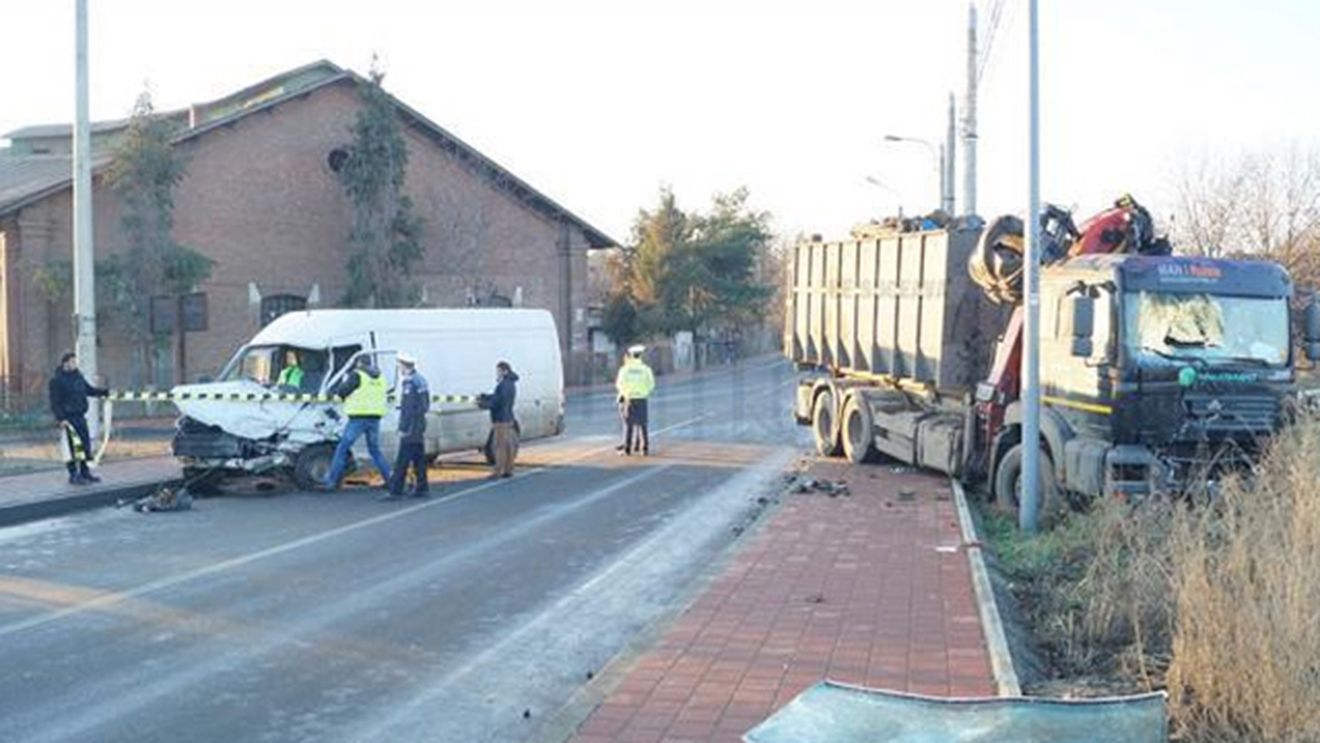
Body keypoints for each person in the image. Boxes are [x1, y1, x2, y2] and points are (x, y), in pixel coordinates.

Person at [322, 355, 392, 491]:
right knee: (375, 451)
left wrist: (334, 392)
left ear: (359, 363)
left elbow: (342, 392)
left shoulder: (356, 375)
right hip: (375, 418)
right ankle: (390, 479)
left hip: (358, 419)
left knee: (342, 449)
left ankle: (331, 482)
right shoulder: (381, 378)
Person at [48, 352, 108, 485]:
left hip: (80, 416)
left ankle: (85, 472)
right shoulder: (57, 381)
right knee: (73, 447)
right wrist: (61, 418)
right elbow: (55, 402)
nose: (75, 364)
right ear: (65, 363)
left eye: (75, 362)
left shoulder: (78, 377)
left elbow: (89, 390)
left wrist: (105, 392)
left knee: (85, 445)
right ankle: (74, 475)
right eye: (72, 362)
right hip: (68, 419)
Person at [382, 353, 430, 501]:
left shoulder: (409, 383)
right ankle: (422, 487)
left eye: (400, 366)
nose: (399, 369)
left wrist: (403, 427)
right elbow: (425, 404)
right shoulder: (421, 380)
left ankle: (396, 490)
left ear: (404, 366)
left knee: (402, 460)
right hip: (419, 424)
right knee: (418, 458)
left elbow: (408, 408)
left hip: (411, 427)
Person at [615, 344, 656, 456]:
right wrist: (644, 392)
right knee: (643, 424)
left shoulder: (624, 369)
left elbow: (619, 384)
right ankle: (645, 448)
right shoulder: (646, 369)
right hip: (642, 398)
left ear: (631, 355)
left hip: (629, 399)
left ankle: (628, 448)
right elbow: (651, 384)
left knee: (629, 424)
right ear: (641, 356)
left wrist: (625, 393)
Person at [484, 361, 519, 479]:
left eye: (498, 371)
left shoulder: (503, 384)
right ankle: (508, 469)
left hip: (500, 419)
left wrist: (484, 404)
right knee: (508, 445)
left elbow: (498, 401)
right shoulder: (511, 383)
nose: (497, 373)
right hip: (508, 417)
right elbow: (499, 397)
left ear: (504, 371)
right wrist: (487, 396)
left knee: (499, 446)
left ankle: (498, 471)